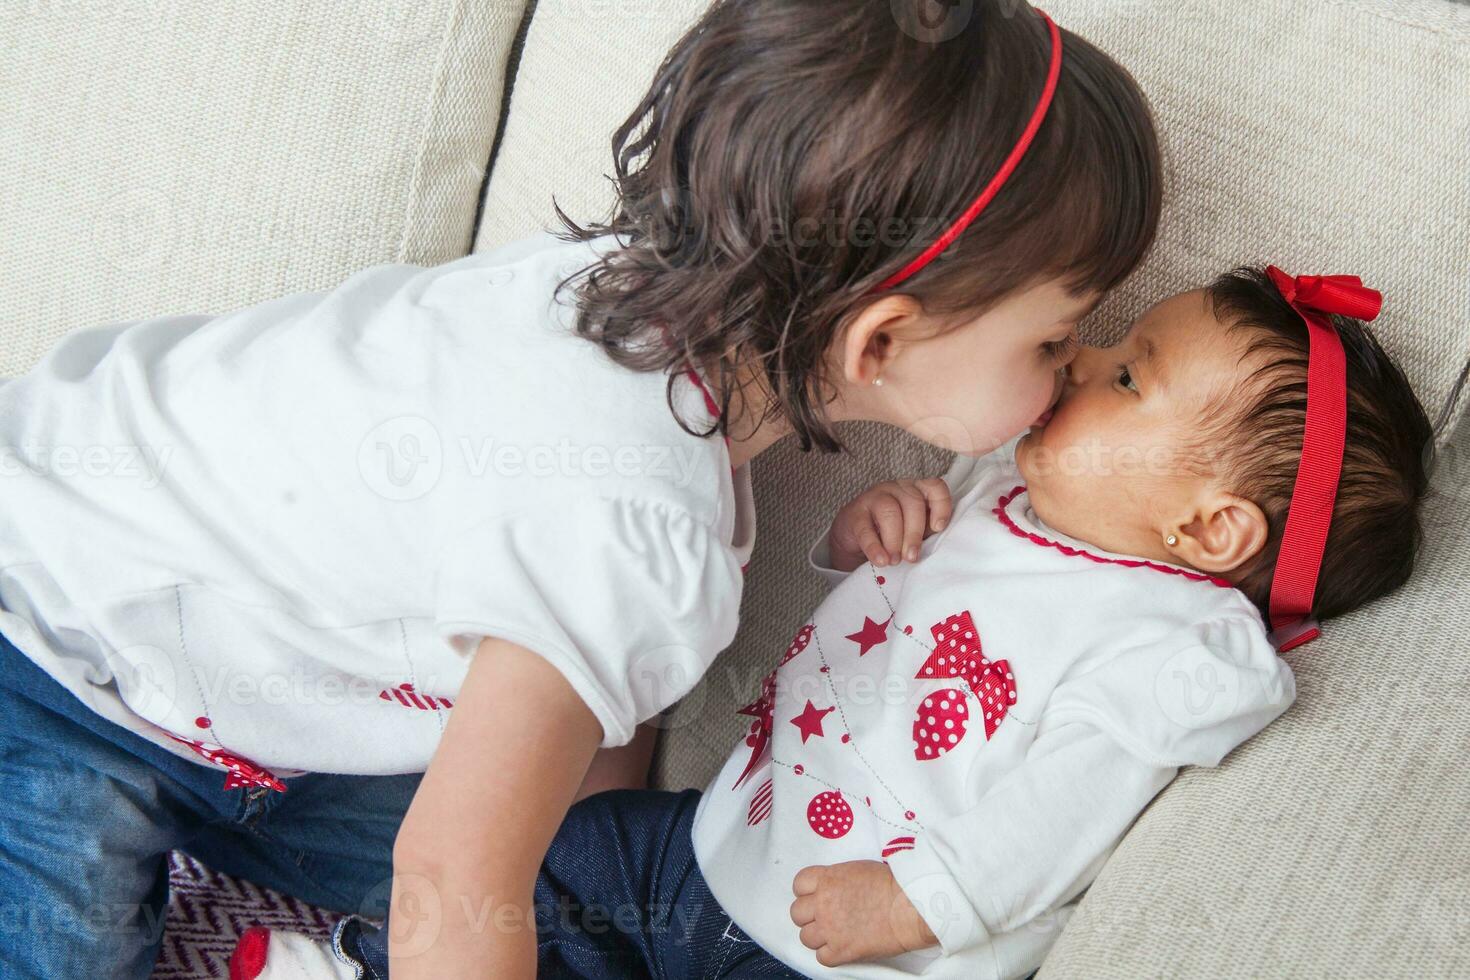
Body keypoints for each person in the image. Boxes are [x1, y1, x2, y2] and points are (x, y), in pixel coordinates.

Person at [0, 2, 1162, 977]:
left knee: (562, 900)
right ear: (879, 340)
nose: (1070, 370)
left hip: (232, 712)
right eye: (1058, 337)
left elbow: (582, 702)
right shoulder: (633, 509)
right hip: (44, 635)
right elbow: (454, 872)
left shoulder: (613, 311)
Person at [258, 265, 1431, 979]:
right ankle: (370, 960)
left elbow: (1062, 808)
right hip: (725, 840)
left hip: (867, 950)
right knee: (566, 862)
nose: (1089, 356)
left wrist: (922, 899)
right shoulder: (996, 494)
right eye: (1114, 342)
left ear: (1214, 532)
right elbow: (881, 604)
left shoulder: (1177, 645)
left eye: (1130, 376)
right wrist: (874, 524)